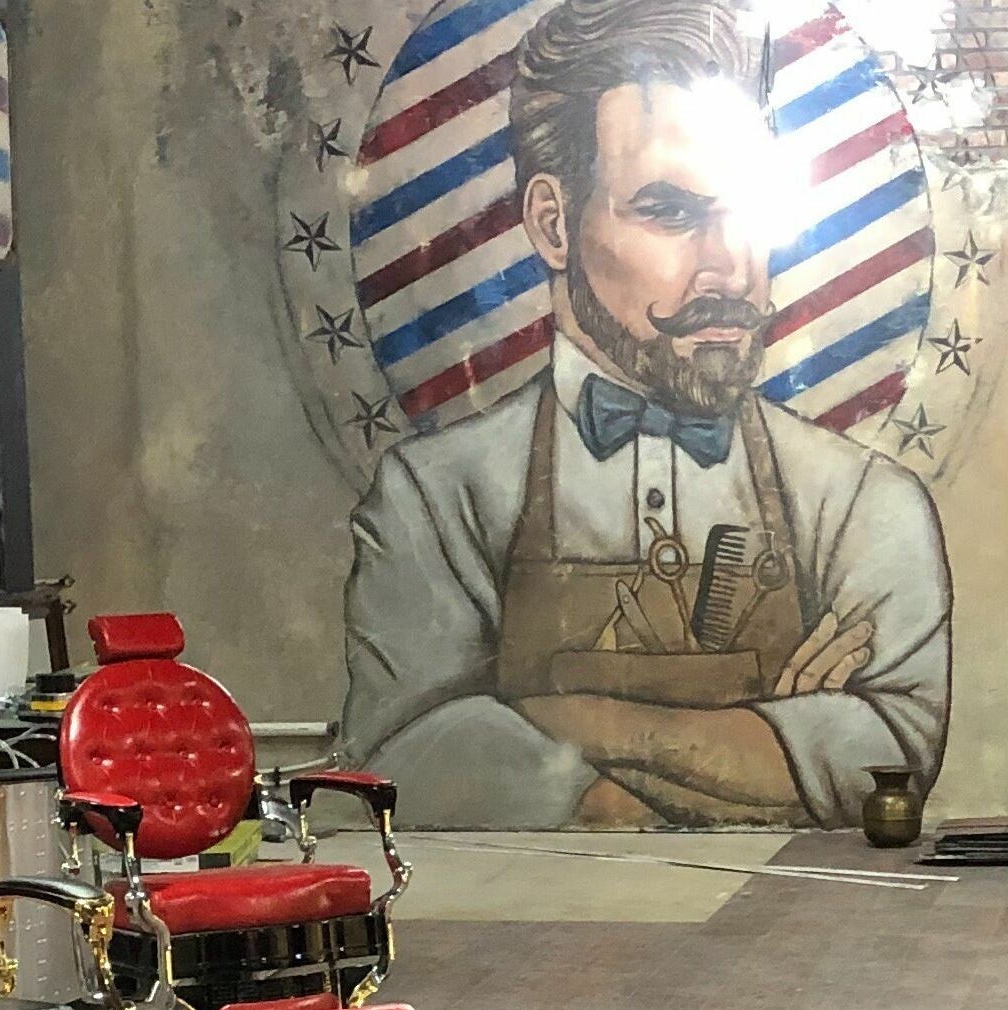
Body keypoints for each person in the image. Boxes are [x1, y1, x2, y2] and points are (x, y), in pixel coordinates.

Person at [339, 0, 951, 828]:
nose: (731, 267)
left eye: (752, 208)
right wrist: (765, 742)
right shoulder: (434, 497)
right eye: (671, 212)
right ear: (553, 223)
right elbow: (405, 757)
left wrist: (566, 721)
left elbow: (890, 755)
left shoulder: (866, 504)